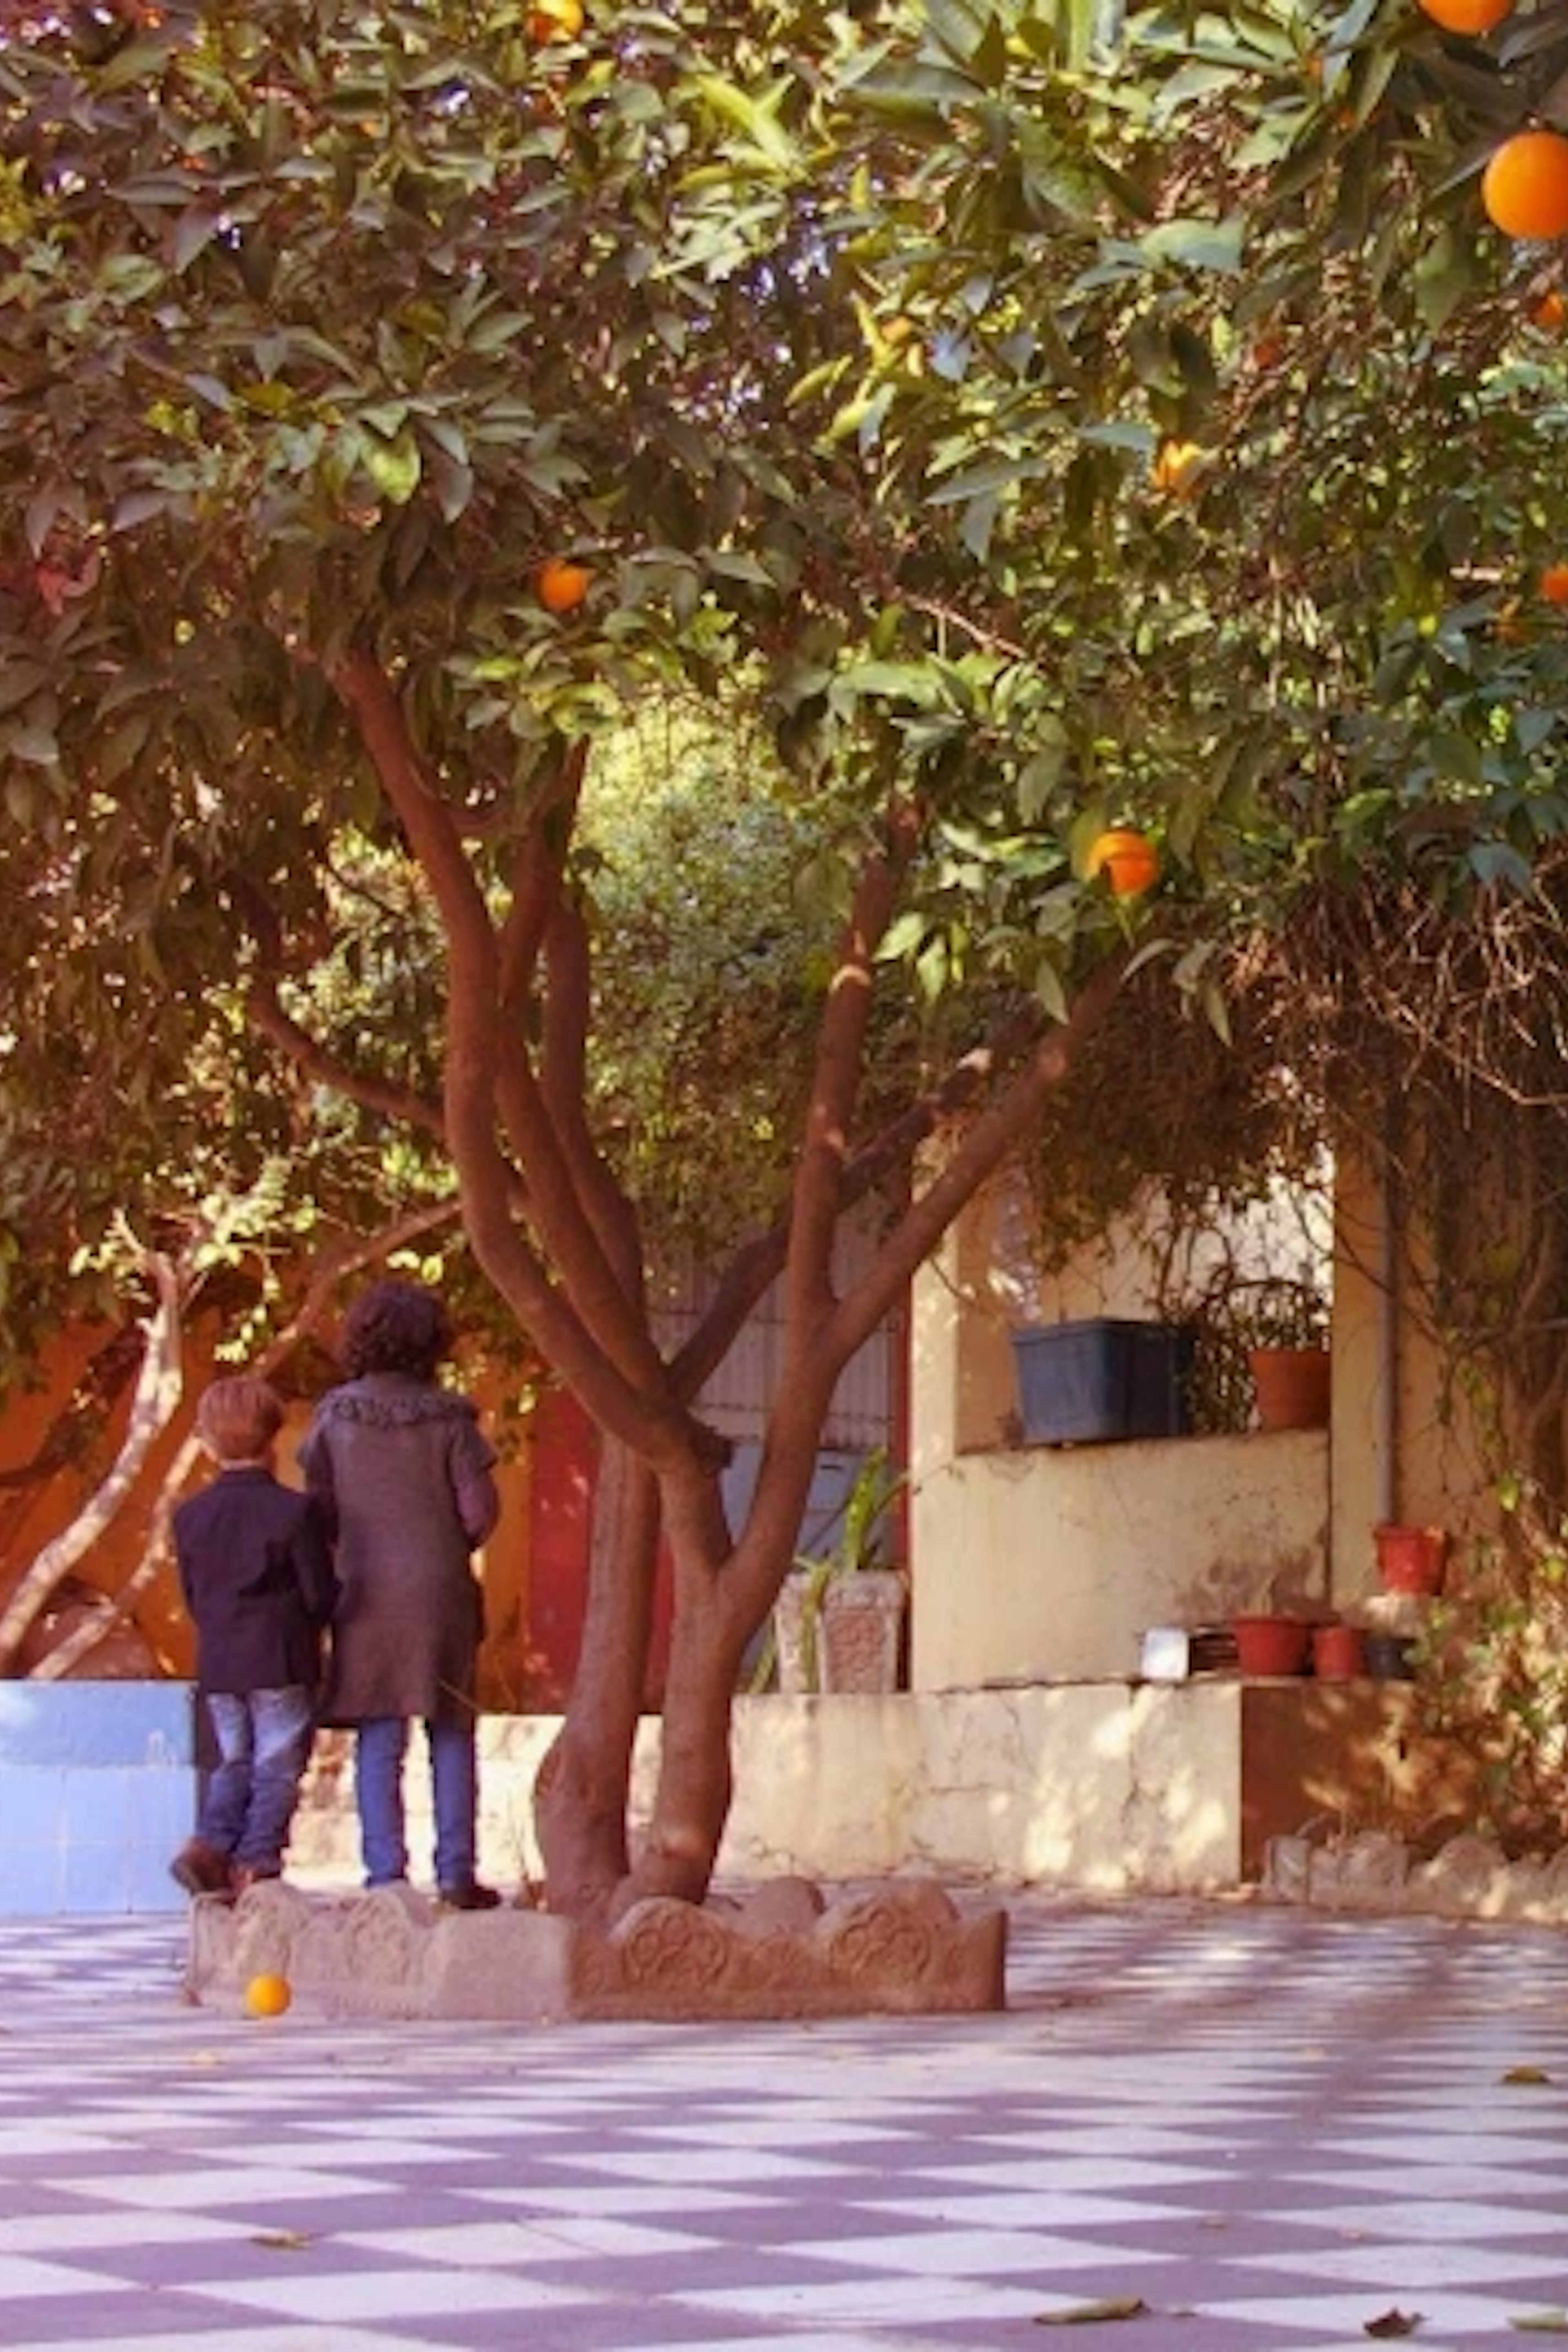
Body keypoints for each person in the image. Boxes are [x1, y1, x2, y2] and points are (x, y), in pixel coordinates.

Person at [298, 1277, 502, 1909]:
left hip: (364, 1590)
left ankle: (386, 1876)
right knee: (451, 1730)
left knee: (379, 1732)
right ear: (432, 1343)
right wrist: (442, 1546)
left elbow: (318, 1510)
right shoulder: (452, 1417)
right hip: (441, 1590)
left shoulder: (334, 1418)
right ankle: (456, 1873)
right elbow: (480, 1512)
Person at [169, 1374, 339, 1900]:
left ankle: (209, 1847)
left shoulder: (190, 1515)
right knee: (277, 1765)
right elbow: (319, 1595)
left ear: (209, 1441)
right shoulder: (295, 1511)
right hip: (281, 1658)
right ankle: (259, 1861)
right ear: (271, 1436)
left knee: (235, 1759)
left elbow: (194, 1596)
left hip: (220, 1660)